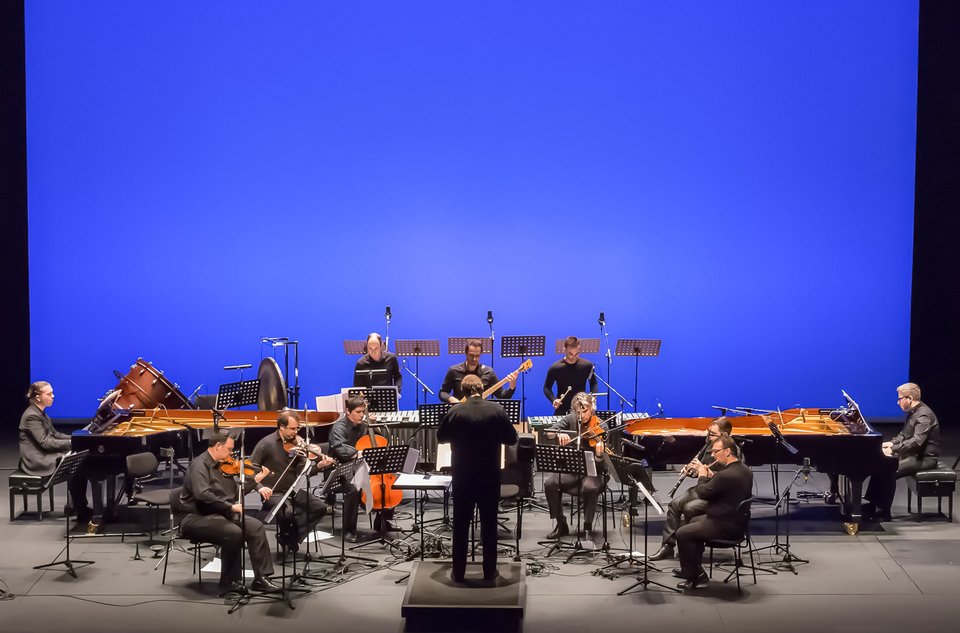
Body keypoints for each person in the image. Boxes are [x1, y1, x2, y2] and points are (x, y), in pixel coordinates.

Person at [437, 375, 518, 584]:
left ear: (463, 392)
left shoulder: (455, 411)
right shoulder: (496, 410)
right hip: (489, 476)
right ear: (482, 390)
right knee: (489, 525)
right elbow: (512, 438)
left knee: (461, 525)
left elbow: (441, 437)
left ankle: (458, 573)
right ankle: (489, 572)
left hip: (463, 476)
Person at [179, 431, 279, 593]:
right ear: (218, 446)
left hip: (220, 514)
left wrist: (256, 480)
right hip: (196, 517)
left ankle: (261, 578)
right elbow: (202, 495)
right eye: (229, 449)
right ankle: (229, 580)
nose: (232, 454)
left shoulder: (223, 466)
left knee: (255, 526)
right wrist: (230, 507)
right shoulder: (200, 465)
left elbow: (234, 494)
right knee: (233, 532)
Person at [647, 418, 736, 562]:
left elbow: (732, 478)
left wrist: (707, 473)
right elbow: (700, 469)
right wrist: (691, 471)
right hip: (703, 487)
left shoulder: (732, 452)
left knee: (689, 508)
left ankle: (692, 551)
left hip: (716, 494)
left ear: (724, 435)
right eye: (708, 433)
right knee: (674, 504)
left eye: (712, 434)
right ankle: (667, 546)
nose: (709, 436)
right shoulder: (708, 445)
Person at [674, 434, 753, 590]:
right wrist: (712, 476)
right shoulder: (744, 470)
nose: (712, 455)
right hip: (736, 522)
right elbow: (725, 485)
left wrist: (702, 476)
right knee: (691, 522)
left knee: (682, 533)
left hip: (723, 525)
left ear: (727, 451)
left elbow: (703, 493)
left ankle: (695, 575)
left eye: (716, 451)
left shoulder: (725, 475)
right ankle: (694, 568)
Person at [250, 410, 336, 552]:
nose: (296, 432)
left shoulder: (298, 446)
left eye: (297, 428)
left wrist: (320, 465)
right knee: (287, 512)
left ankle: (291, 537)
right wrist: (260, 487)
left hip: (293, 490)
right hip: (273, 492)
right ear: (281, 427)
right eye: (293, 429)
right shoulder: (266, 444)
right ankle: (287, 536)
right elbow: (250, 470)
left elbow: (305, 472)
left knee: (320, 508)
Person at [18, 381, 94, 523]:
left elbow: (56, 434)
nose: (53, 396)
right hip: (37, 459)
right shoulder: (31, 416)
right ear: (38, 397)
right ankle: (80, 508)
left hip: (43, 454)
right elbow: (45, 443)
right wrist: (73, 443)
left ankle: (77, 506)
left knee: (77, 462)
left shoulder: (40, 413)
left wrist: (76, 438)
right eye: (49, 394)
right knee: (75, 464)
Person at [863, 382, 940, 521]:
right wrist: (890, 443)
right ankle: (872, 505)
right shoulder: (914, 413)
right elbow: (904, 435)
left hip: (925, 458)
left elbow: (916, 442)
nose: (897, 402)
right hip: (912, 455)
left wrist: (893, 449)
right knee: (881, 464)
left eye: (899, 399)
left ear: (909, 398)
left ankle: (884, 512)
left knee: (889, 470)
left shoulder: (924, 415)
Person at [327, 396, 395, 542]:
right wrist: (361, 453)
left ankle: (382, 521)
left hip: (360, 467)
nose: (361, 415)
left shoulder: (364, 425)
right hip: (340, 469)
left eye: (363, 412)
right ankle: (348, 530)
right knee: (353, 489)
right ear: (348, 411)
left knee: (386, 482)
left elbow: (379, 443)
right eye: (358, 412)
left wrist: (374, 425)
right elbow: (341, 450)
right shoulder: (339, 427)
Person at [543, 392, 606, 538]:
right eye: (578, 412)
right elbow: (548, 433)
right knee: (549, 484)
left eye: (585, 411)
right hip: (573, 470)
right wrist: (558, 433)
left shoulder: (601, 426)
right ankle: (561, 523)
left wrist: (599, 455)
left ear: (592, 409)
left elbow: (603, 463)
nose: (581, 416)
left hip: (594, 471)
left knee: (590, 487)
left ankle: (587, 527)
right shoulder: (571, 419)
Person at [440, 339, 518, 403]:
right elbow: (442, 393)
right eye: (471, 355)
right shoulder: (454, 371)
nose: (474, 359)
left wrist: (512, 387)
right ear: (466, 353)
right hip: (460, 412)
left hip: (481, 413)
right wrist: (451, 399)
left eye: (477, 356)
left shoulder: (488, 372)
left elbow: (502, 396)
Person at [543, 336, 598, 414]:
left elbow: (594, 383)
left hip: (581, 409)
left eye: (577, 353)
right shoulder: (556, 368)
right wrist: (553, 399)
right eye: (571, 354)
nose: (574, 357)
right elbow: (547, 388)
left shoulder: (587, 366)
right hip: (562, 409)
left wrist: (593, 397)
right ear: (564, 350)